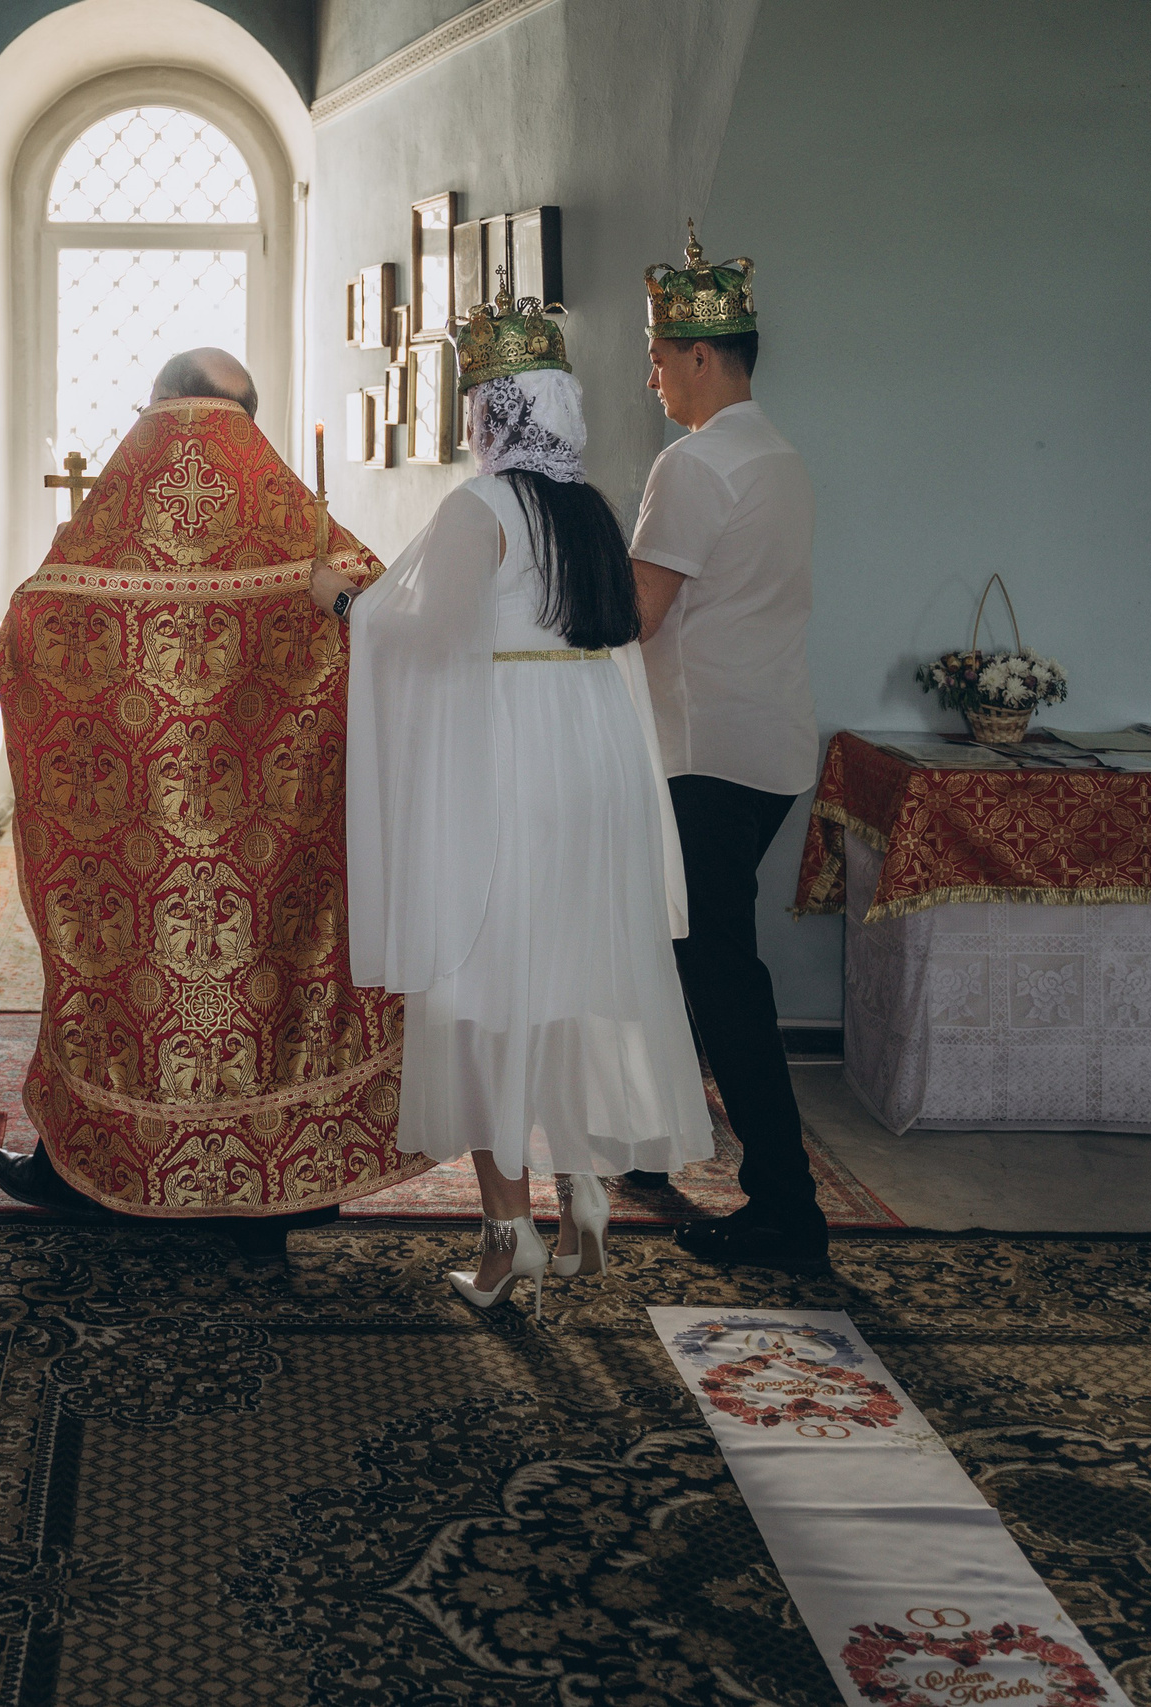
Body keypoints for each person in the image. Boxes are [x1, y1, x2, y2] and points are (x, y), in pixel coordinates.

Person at [0, 348, 432, 1219]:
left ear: (154, 403)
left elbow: (30, 623)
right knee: (277, 973)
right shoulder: (294, 522)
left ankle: (87, 1169)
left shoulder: (113, 520)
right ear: (251, 417)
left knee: (114, 975)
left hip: (137, 830)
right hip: (274, 832)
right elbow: (380, 619)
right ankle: (291, 1181)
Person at [336, 286, 714, 1314]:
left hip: (506, 762)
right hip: (589, 761)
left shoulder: (479, 506)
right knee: (560, 980)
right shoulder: (588, 508)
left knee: (482, 992)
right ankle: (581, 1191)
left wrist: (339, 602)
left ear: (494, 417)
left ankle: (509, 1238)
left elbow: (413, 631)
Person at [630, 223, 826, 1277]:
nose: (649, 373)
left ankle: (785, 1208)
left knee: (717, 974)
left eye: (657, 354)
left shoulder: (695, 464)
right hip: (768, 746)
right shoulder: (778, 455)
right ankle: (650, 1139)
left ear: (704, 355)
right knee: (681, 956)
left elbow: (636, 613)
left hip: (703, 751)